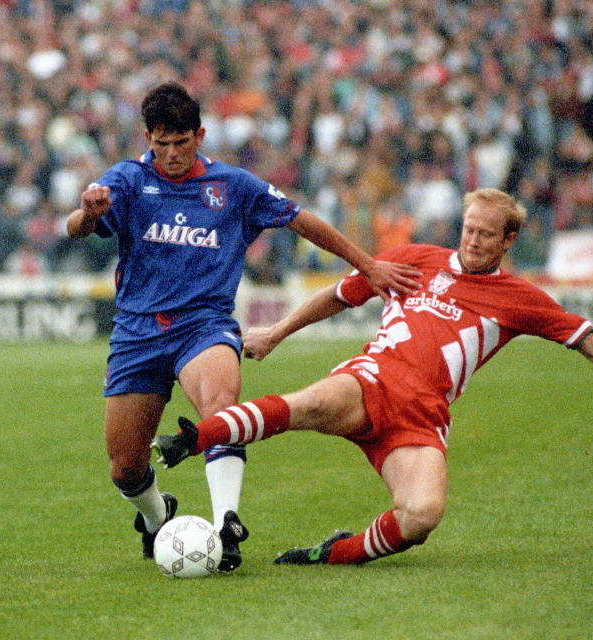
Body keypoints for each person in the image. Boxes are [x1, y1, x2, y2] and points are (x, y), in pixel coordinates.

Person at [154, 187, 593, 566]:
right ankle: (191, 439)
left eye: (485, 235)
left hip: (421, 420)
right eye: (468, 229)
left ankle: (332, 554)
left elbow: (591, 344)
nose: (472, 240)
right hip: (371, 379)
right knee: (310, 405)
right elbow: (341, 294)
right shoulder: (417, 259)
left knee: (422, 516)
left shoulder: (519, 299)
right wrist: (277, 331)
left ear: (508, 241)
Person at [65, 81, 422, 571]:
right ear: (147, 137)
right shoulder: (126, 180)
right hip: (137, 330)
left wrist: (368, 265)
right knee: (125, 466)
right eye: (161, 143)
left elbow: (302, 220)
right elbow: (77, 227)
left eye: (182, 142)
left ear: (201, 134)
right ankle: (155, 516)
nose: (171, 153)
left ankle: (226, 524)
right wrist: (86, 212)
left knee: (219, 408)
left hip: (203, 325)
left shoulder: (233, 186)